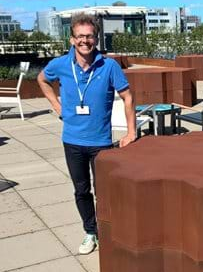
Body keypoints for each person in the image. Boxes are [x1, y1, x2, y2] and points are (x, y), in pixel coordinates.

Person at [38, 13, 135, 255]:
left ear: (96, 39)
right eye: (80, 36)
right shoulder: (61, 64)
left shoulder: (109, 66)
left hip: (100, 142)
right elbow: (42, 79)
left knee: (104, 191)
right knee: (81, 190)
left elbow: (128, 97)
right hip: (72, 141)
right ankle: (91, 232)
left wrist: (131, 131)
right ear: (71, 39)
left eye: (90, 36)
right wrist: (57, 106)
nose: (85, 41)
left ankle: (107, 231)